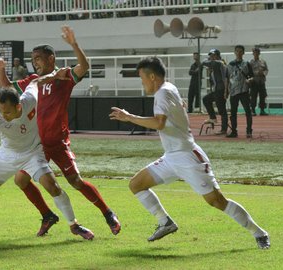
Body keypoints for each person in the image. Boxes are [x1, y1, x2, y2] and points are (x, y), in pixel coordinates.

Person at [108, 56, 270, 249]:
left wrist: (129, 117)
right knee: (136, 184)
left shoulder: (162, 93)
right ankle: (165, 222)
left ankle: (259, 233)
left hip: (188, 157)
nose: (141, 82)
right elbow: (179, 106)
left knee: (217, 201)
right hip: (172, 157)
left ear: (152, 76)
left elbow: (159, 123)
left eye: (142, 77)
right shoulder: (169, 87)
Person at [0, 25, 121, 237]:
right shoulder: (33, 82)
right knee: (20, 180)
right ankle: (47, 215)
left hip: (58, 142)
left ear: (51, 58)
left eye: (39, 58)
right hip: (37, 146)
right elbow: (6, 88)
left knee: (76, 182)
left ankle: (107, 213)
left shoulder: (63, 77)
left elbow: (84, 66)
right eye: (33, 59)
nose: (35, 62)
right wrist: (0, 69)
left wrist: (74, 44)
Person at [0, 82, 95, 240]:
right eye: (1, 110)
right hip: (6, 156)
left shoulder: (30, 99)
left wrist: (53, 76)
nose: (3, 115)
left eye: (7, 112)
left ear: (18, 107)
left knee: (53, 187)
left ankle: (74, 225)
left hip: (33, 153)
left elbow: (36, 82)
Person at [227, 45, 254, 138]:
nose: (238, 53)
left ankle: (249, 130)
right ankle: (234, 131)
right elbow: (227, 78)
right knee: (233, 112)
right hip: (233, 91)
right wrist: (226, 90)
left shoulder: (247, 64)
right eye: (237, 51)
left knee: (248, 111)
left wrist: (249, 80)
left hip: (244, 90)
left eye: (240, 51)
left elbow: (252, 76)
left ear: (243, 53)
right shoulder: (230, 64)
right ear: (234, 52)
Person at [201, 48, 228, 135]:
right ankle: (213, 117)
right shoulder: (217, 65)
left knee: (222, 110)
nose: (211, 57)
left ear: (218, 56)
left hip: (221, 89)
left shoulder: (219, 63)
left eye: (213, 55)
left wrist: (226, 91)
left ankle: (224, 129)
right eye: (211, 56)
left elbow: (204, 62)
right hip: (217, 90)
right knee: (206, 99)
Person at [249, 48, 269, 116]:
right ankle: (253, 110)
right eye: (254, 52)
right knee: (253, 97)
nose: (256, 54)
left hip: (262, 82)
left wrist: (263, 73)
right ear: (253, 53)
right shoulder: (250, 62)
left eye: (257, 52)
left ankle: (262, 110)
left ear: (259, 53)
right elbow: (249, 72)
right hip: (254, 82)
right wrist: (257, 73)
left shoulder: (263, 61)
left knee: (262, 96)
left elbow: (266, 70)